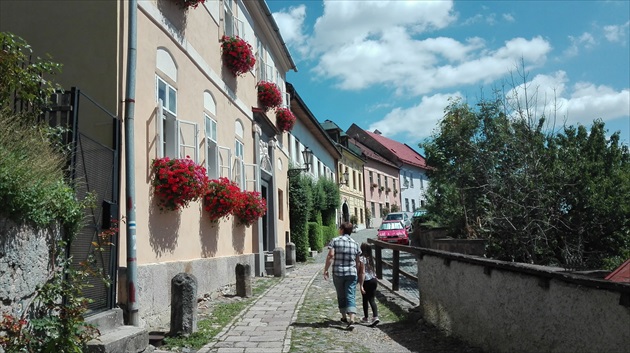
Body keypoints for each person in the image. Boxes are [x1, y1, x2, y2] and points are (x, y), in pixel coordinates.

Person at [323, 222, 363, 330]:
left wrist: (326, 270)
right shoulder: (355, 244)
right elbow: (358, 261)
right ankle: (352, 318)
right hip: (351, 273)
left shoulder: (335, 241)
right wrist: (358, 273)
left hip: (338, 272)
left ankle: (344, 316)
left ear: (342, 230)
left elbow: (331, 255)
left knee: (341, 294)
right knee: (350, 294)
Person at [359, 242, 379, 327]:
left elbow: (362, 272)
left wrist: (361, 284)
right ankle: (375, 316)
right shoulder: (371, 259)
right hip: (374, 279)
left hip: (366, 280)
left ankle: (366, 317)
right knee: (372, 299)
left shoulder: (361, 259)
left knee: (365, 299)